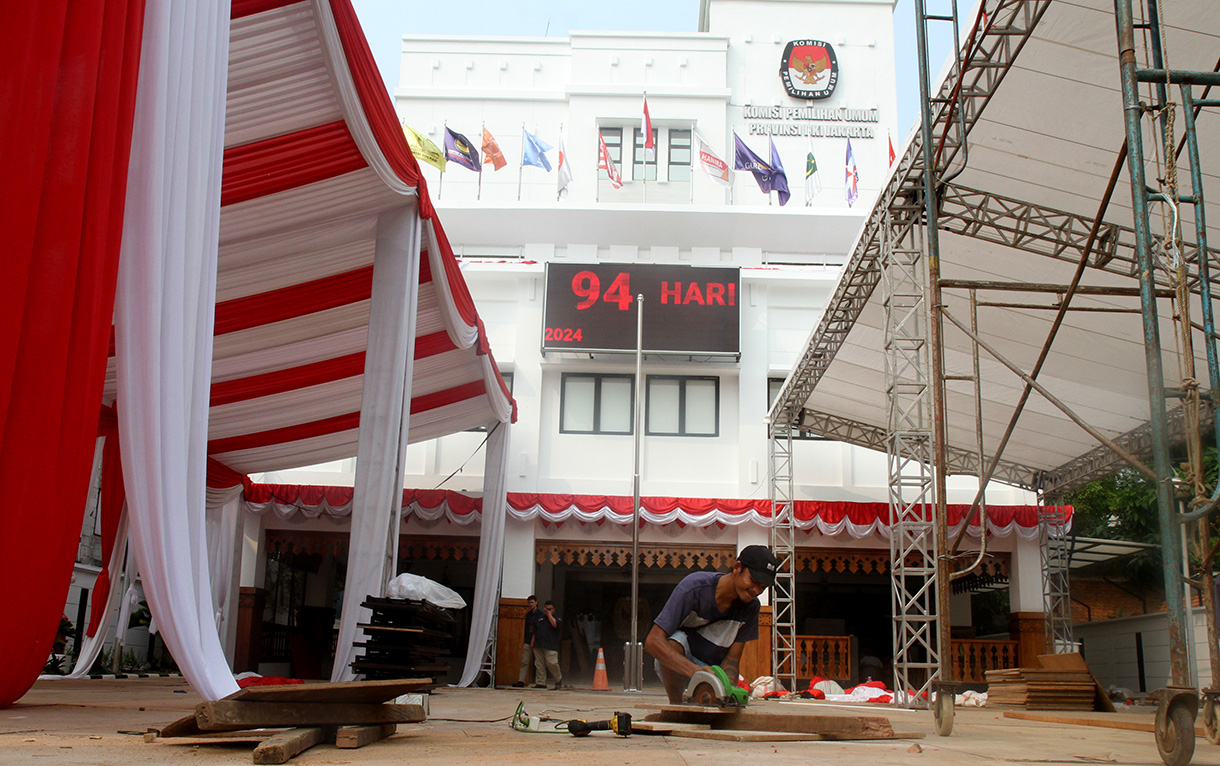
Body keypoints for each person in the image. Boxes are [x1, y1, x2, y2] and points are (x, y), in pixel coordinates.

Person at [645, 544, 779, 703]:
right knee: (676, 640)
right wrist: (696, 672)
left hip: (714, 671)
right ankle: (677, 705)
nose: (756, 591)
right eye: (753, 581)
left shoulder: (751, 607)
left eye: (763, 587)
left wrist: (726, 693)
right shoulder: (694, 588)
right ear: (737, 567)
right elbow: (653, 642)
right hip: (682, 666)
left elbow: (732, 660)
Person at [531, 599, 563, 689]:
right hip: (539, 644)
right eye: (546, 609)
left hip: (551, 645)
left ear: (554, 609)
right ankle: (541, 683)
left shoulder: (557, 617)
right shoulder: (539, 618)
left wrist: (549, 615)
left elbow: (555, 625)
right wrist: (532, 642)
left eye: (550, 609)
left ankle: (558, 679)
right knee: (539, 664)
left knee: (552, 663)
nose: (548, 611)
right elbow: (535, 630)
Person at [511, 595, 538, 688]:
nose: (530, 604)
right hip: (527, 639)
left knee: (539, 662)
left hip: (538, 641)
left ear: (536, 602)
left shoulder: (541, 615)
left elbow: (538, 629)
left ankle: (541, 682)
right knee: (525, 660)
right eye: (529, 603)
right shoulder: (528, 615)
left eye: (532, 602)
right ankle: (521, 680)